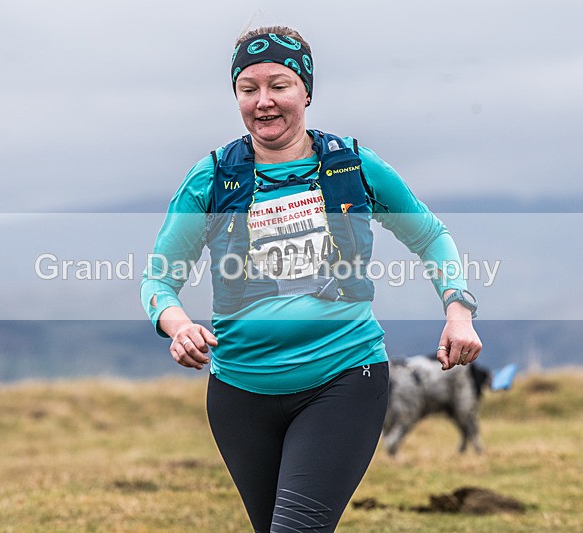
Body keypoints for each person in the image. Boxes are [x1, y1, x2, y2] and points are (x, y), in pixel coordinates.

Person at [140, 25, 482, 533]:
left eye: (279, 85)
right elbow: (158, 280)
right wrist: (177, 325)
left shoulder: (352, 166)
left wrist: (458, 310)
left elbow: (431, 236)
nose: (264, 102)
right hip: (239, 394)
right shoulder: (212, 177)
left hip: (344, 379)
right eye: (248, 88)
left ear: (306, 91)